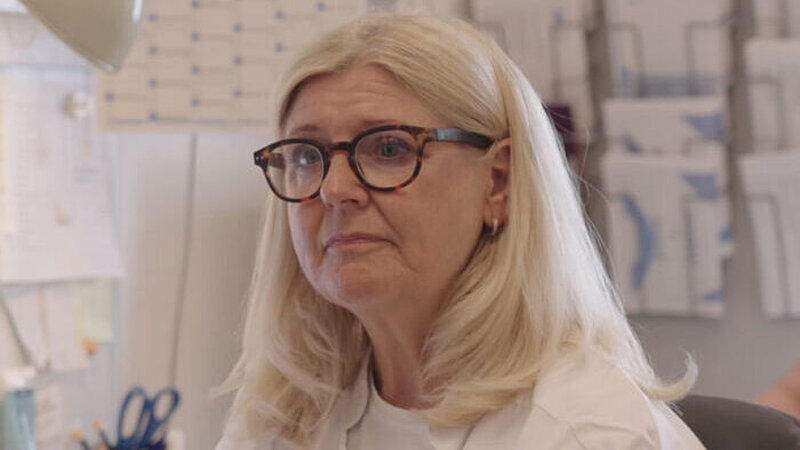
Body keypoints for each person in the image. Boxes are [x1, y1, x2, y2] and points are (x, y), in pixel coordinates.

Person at [216, 14, 703, 450]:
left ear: (498, 182)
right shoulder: (286, 414)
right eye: (307, 156)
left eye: (389, 149)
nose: (335, 189)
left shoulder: (586, 432)